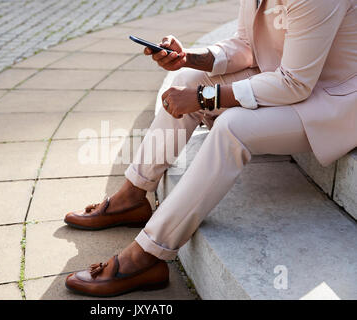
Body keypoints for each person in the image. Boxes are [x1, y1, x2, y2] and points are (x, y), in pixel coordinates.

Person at [64, 0, 357, 297]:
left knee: (233, 126)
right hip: (283, 80)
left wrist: (206, 97)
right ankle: (132, 196)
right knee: (186, 78)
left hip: (333, 102)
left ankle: (146, 257)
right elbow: (246, 45)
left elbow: (295, 83)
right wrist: (188, 57)